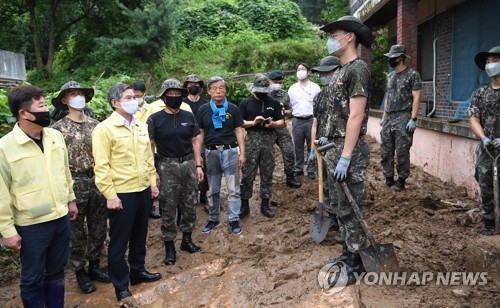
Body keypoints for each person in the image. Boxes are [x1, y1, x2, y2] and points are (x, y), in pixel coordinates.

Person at [0, 85, 78, 307]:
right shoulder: (5, 147)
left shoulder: (55, 136)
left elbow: (65, 171)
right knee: (32, 278)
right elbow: (1, 193)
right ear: (24, 113)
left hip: (60, 217)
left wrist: (70, 200)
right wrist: (7, 231)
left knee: (56, 272)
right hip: (31, 225)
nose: (47, 110)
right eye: (41, 105)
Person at [92, 83, 161, 304]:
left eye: (135, 97)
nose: (135, 101)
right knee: (119, 242)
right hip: (121, 193)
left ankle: (138, 271)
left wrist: (152, 183)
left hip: (142, 190)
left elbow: (148, 159)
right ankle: (121, 285)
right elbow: (101, 167)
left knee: (140, 235)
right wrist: (110, 195)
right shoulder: (104, 129)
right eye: (128, 97)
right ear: (115, 103)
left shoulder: (140, 125)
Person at [318, 15, 374, 285]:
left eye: (335, 34)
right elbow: (334, 114)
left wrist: (346, 156)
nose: (330, 40)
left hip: (348, 150)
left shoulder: (357, 69)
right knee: (340, 207)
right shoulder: (339, 71)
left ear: (350, 36)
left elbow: (356, 116)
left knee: (352, 207)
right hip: (335, 147)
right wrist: (325, 139)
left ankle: (358, 262)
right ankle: (347, 254)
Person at [50, 81, 110, 294]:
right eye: (73, 94)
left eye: (81, 93)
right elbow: (55, 163)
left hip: (97, 180)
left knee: (99, 225)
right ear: (65, 100)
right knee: (75, 231)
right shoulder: (56, 130)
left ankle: (95, 265)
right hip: (74, 182)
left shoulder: (96, 125)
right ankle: (79, 271)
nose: (78, 97)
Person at [148, 79, 203, 266]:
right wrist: (153, 170)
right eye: (170, 95)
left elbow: (195, 141)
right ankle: (169, 245)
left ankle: (187, 239)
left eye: (177, 94)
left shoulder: (188, 116)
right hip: (166, 165)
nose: (174, 98)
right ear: (163, 97)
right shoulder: (155, 119)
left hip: (188, 163)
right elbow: (150, 146)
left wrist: (198, 165)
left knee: (189, 203)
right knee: (168, 206)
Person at [196, 76, 246, 234]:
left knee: (233, 188)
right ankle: (213, 218)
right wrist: (199, 158)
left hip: (230, 152)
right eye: (214, 88)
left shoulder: (233, 108)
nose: (218, 91)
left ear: (225, 90)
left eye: (221, 88)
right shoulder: (203, 110)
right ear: (209, 91)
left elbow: (239, 131)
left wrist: (242, 153)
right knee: (213, 188)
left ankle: (233, 219)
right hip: (211, 153)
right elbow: (200, 135)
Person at [239, 73, 285, 219]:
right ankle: (244, 203)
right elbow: (240, 123)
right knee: (248, 173)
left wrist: (272, 124)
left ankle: (265, 203)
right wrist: (253, 122)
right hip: (252, 139)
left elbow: (282, 122)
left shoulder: (274, 103)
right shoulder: (245, 103)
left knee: (267, 172)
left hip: (268, 139)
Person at [380, 45, 422, 191]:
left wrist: (413, 118)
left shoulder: (412, 74)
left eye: (393, 57)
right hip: (390, 116)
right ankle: (389, 177)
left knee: (402, 150)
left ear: (401, 57)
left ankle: (401, 180)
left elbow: (417, 97)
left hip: (404, 115)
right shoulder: (390, 76)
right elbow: (388, 96)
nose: (391, 59)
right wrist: (384, 115)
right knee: (386, 149)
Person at [468, 46, 500, 235]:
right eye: (488, 62)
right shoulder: (480, 93)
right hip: (487, 149)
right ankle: (489, 223)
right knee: (486, 184)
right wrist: (484, 137)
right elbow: (473, 118)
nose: (490, 65)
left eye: (494, 60)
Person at [309, 56, 341, 232]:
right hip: (321, 145)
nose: (323, 76)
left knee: (337, 184)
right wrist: (312, 150)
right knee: (326, 184)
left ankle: (341, 216)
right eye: (321, 73)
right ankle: (333, 216)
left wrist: (330, 136)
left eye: (326, 73)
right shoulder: (319, 97)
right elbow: (315, 123)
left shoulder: (342, 94)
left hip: (335, 144)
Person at [131, 81, 161, 219]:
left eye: (139, 95)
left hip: (150, 147)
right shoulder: (130, 109)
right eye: (134, 95)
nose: (136, 98)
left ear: (144, 95)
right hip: (133, 149)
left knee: (151, 176)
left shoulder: (152, 109)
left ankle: (150, 207)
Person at [267, 70, 301, 188]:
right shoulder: (263, 94)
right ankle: (266, 180)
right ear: (269, 81)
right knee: (267, 156)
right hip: (267, 130)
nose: (277, 84)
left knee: (289, 151)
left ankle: (290, 176)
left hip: (281, 129)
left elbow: (290, 110)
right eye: (275, 81)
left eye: (280, 82)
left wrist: (286, 112)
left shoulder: (284, 95)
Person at [288, 62, 321, 180]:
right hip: (297, 120)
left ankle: (311, 169)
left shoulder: (315, 87)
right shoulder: (292, 88)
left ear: (308, 72)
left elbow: (319, 104)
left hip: (311, 120)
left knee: (311, 145)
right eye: (298, 69)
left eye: (303, 69)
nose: (300, 71)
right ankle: (299, 168)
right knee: (298, 146)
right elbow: (290, 105)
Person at [182, 74, 210, 204]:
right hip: (186, 140)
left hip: (204, 139)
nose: (193, 87)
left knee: (205, 166)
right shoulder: (181, 103)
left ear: (200, 86)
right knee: (189, 167)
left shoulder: (206, 103)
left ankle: (203, 193)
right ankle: (191, 194)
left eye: (196, 84)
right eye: (190, 84)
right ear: (186, 86)